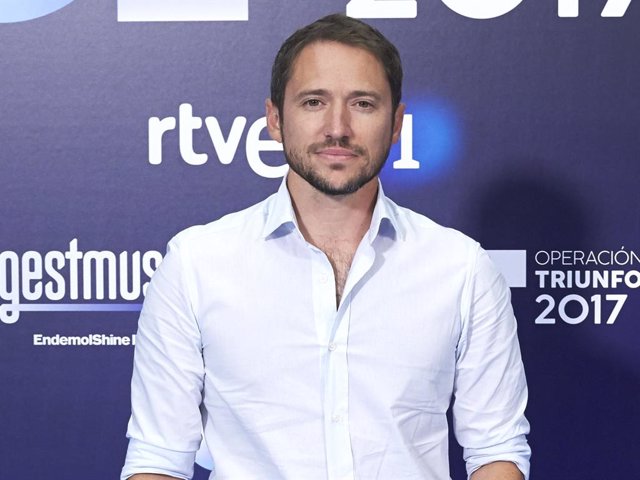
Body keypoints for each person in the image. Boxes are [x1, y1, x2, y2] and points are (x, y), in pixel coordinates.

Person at [121, 13, 530, 480]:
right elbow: (158, 459)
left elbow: (497, 448)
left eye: (363, 103)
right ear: (275, 119)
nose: (338, 127)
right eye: (314, 102)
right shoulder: (196, 264)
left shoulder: (462, 268)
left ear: (396, 123)